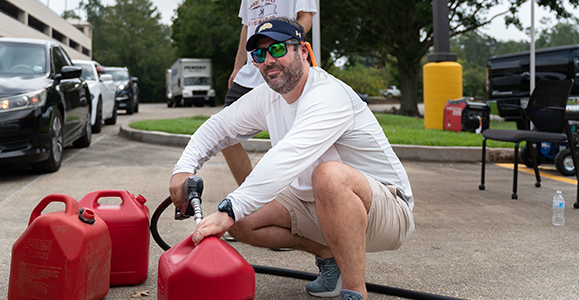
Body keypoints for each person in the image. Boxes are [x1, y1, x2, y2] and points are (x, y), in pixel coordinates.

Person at [170, 18, 414, 300]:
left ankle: (354, 290)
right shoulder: (268, 96)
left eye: (276, 49)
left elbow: (288, 156)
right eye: (259, 54)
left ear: (304, 51)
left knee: (328, 175)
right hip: (320, 204)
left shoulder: (328, 94)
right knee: (241, 221)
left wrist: (228, 209)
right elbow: (218, 126)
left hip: (387, 208)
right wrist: (184, 168)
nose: (268, 60)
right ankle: (329, 254)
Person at [222, 0, 317, 186]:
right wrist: (237, 67)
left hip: (282, 64)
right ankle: (250, 194)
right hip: (254, 68)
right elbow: (247, 27)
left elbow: (306, 17)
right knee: (224, 131)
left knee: (290, 134)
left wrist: (283, 43)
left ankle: (291, 194)